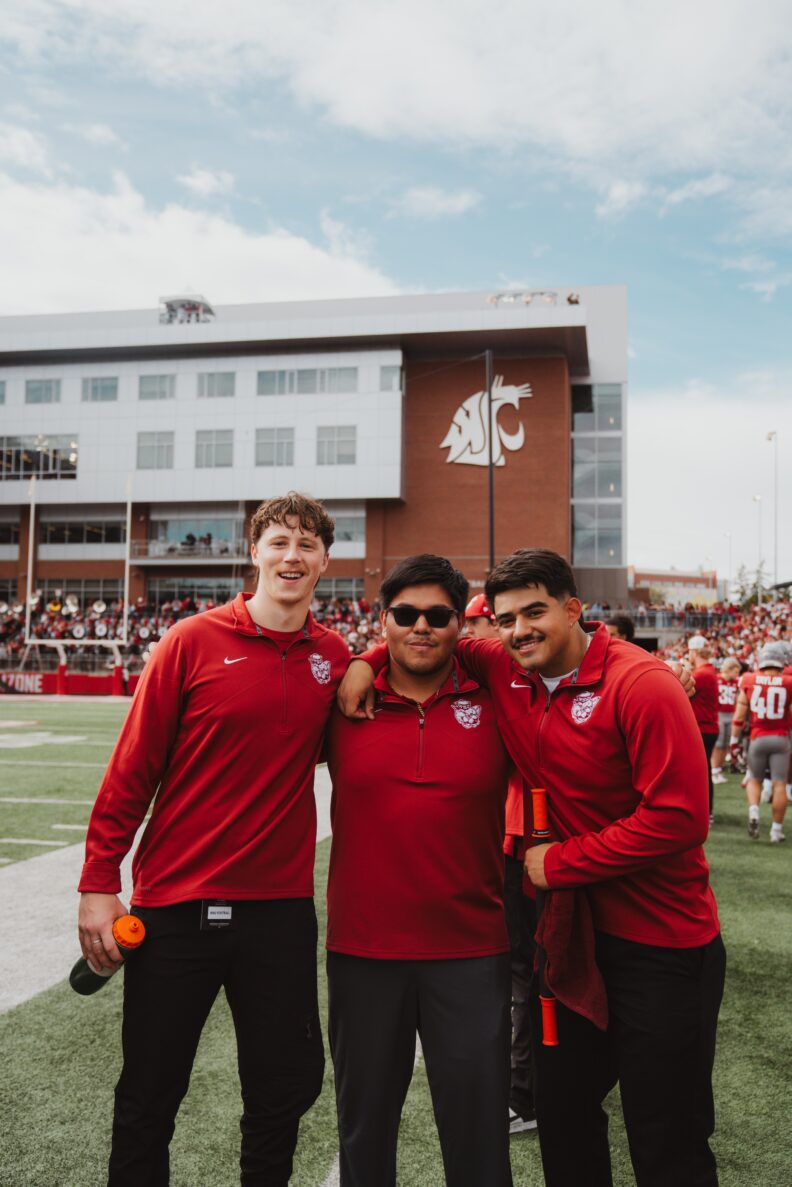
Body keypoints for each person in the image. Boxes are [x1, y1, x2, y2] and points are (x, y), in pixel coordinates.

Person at [339, 548, 724, 1187]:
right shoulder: (506, 665)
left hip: (661, 939)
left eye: (535, 612)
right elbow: (422, 637)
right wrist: (365, 660)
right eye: (507, 618)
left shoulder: (642, 684)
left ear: (574, 610)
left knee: (666, 1136)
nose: (520, 630)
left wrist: (561, 862)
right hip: (568, 936)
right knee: (564, 1116)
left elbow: (680, 818)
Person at [77, 492, 350, 1187]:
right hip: (176, 905)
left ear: (326, 560)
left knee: (283, 1091)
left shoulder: (333, 654)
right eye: (279, 542)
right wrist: (99, 882)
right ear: (255, 551)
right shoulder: (190, 640)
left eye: (307, 544)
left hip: (278, 910)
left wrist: (367, 665)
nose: (292, 556)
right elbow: (131, 770)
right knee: (148, 1095)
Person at [326, 556, 514, 1186]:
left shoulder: (496, 698)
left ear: (460, 623)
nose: (421, 627)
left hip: (471, 950)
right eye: (405, 614)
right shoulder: (343, 702)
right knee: (364, 1130)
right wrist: (365, 662)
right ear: (384, 620)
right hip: (363, 950)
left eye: (438, 615)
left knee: (479, 1136)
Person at [465, 594, 537, 1133]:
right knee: (522, 967)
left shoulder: (521, 669)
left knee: (526, 970)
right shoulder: (493, 668)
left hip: (535, 840)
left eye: (480, 622)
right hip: (512, 837)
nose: (473, 633)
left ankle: (524, 1092)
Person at [730, 643, 792, 843]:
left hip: (757, 738)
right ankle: (776, 831)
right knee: (780, 783)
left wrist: (734, 742)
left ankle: (754, 812)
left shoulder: (749, 679)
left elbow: (739, 716)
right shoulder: (788, 682)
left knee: (755, 779)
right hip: (781, 738)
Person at [688, 634, 720, 821]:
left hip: (703, 728)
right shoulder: (707, 671)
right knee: (702, 771)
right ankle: (706, 812)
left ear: (695, 652)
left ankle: (705, 812)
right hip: (708, 728)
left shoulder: (701, 674)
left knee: (700, 773)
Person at [711, 657, 741, 783]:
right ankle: (714, 771)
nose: (737, 674)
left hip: (730, 714)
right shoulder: (717, 679)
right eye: (735, 671)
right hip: (719, 714)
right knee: (718, 744)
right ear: (728, 669)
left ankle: (719, 770)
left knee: (725, 744)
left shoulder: (735, 682)